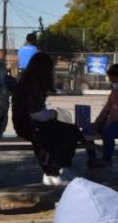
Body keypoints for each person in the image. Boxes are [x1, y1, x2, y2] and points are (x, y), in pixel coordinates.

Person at [11, 51, 83, 186]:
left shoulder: (27, 83)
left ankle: (56, 169)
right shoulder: (32, 86)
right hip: (31, 126)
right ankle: (54, 170)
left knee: (66, 131)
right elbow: (36, 114)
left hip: (26, 124)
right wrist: (53, 114)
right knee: (70, 133)